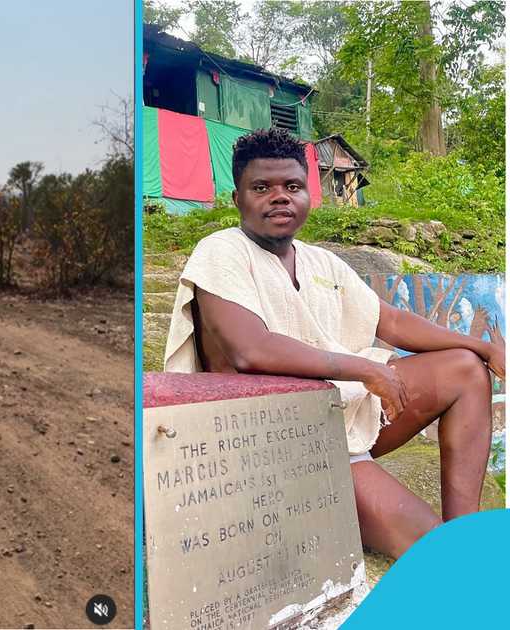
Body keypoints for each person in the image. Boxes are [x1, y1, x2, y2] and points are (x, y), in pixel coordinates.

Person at [163, 127, 505, 560]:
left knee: (465, 367)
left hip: (335, 417)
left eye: (292, 186)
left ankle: (466, 532)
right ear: (238, 200)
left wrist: (485, 347)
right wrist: (364, 368)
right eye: (261, 187)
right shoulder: (221, 251)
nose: (279, 197)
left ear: (308, 194)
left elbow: (393, 320)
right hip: (273, 442)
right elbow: (249, 350)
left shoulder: (320, 260)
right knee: (432, 554)